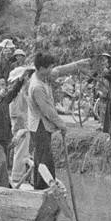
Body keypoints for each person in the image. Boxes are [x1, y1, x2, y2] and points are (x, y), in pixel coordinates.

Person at [27, 52, 68, 190]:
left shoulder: (42, 78)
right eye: (50, 67)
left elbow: (59, 71)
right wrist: (61, 124)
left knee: (41, 157)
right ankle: (43, 188)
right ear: (42, 68)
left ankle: (40, 186)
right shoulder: (37, 86)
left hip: (40, 125)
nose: (51, 70)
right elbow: (47, 111)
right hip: (40, 126)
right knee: (45, 159)